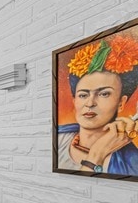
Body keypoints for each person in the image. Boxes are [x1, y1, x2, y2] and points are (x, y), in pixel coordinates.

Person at [57, 33, 138, 175]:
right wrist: (97, 154)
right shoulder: (59, 138)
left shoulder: (132, 163)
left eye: (104, 94)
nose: (90, 103)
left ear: (121, 102)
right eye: (83, 95)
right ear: (74, 101)